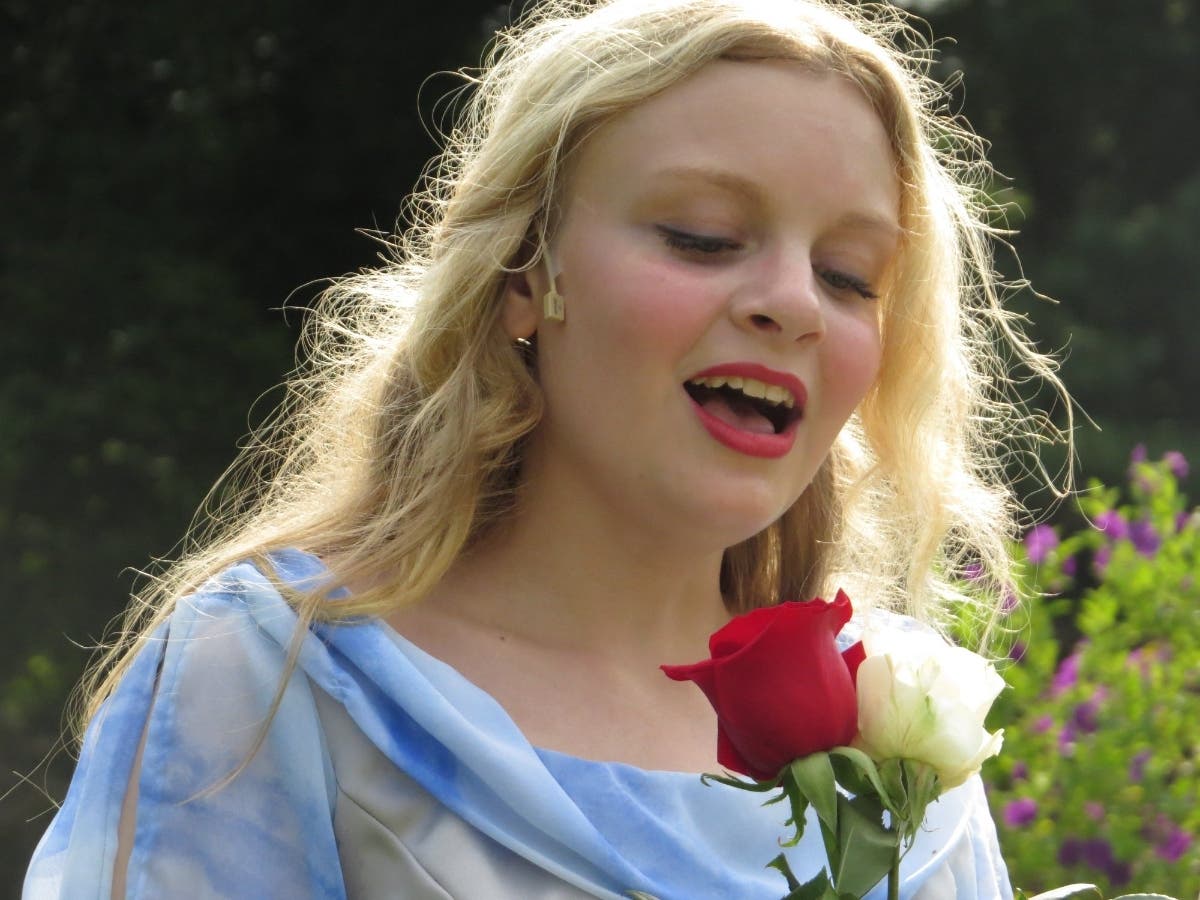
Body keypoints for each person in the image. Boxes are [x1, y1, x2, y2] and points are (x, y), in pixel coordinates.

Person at [24, 0, 1069, 896]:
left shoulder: (909, 740)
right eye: (702, 235)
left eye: (848, 275)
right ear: (526, 279)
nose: (794, 302)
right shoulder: (270, 677)